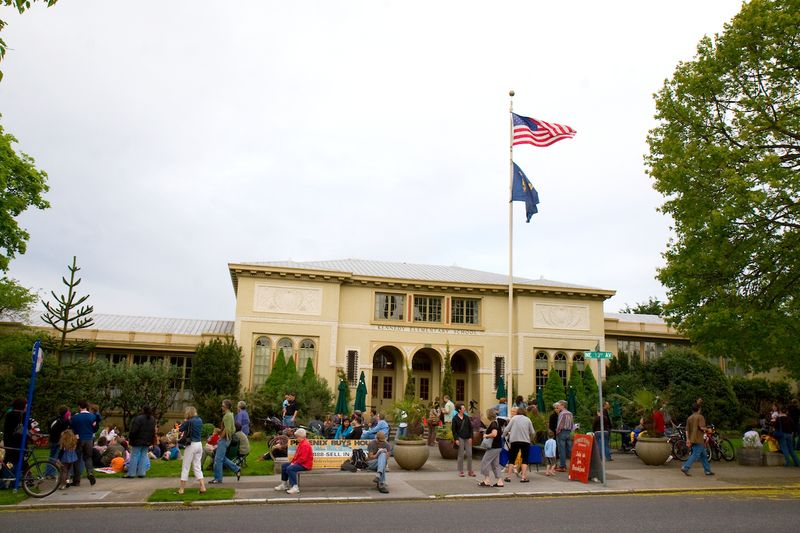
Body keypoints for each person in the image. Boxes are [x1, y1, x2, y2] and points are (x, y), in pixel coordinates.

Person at [177, 405, 206, 495]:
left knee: (185, 466)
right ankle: (202, 486)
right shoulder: (200, 420)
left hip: (191, 445)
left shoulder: (189, 421)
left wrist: (185, 421)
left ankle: (181, 489)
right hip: (199, 444)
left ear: (188, 413)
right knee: (197, 467)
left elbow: (180, 429)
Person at [211, 399, 242, 484]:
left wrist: (220, 438)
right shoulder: (230, 415)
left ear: (226, 406)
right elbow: (230, 428)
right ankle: (237, 469)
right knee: (222, 458)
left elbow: (227, 429)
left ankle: (218, 479)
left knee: (218, 459)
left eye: (222, 405)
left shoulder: (227, 416)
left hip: (224, 439)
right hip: (227, 439)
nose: (221, 407)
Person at [502, 406, 536, 483]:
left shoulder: (513, 419)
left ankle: (508, 477)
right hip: (525, 441)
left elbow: (507, 429)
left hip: (514, 441)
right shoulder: (528, 419)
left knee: (512, 458)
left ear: (517, 412)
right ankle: (523, 477)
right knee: (525, 458)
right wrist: (531, 439)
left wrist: (503, 436)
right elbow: (533, 432)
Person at [274, 428, 313, 494]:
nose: (296, 438)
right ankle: (284, 484)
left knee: (290, 468)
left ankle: (295, 487)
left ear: (300, 437)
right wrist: (293, 462)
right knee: (284, 466)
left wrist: (293, 463)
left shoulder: (305, 445)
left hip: (305, 465)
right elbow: (298, 456)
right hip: (301, 463)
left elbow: (303, 459)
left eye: (297, 437)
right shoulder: (302, 443)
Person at [70, 399, 98, 486]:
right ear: (87, 406)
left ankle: (77, 480)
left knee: (77, 460)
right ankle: (90, 472)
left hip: (79, 439)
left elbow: (72, 427)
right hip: (89, 439)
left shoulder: (75, 417)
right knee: (88, 457)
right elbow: (95, 428)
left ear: (79, 407)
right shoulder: (92, 416)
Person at [681, 403, 714, 476]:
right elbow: (701, 427)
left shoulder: (689, 418)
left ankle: (707, 470)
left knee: (703, 455)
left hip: (692, 439)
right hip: (699, 439)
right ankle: (685, 467)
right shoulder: (700, 417)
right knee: (695, 454)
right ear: (699, 409)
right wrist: (708, 430)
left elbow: (687, 430)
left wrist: (688, 439)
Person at [126, 405, 156, 478]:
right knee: (143, 456)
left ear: (143, 410)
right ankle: (142, 473)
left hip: (137, 440)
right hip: (147, 440)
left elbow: (134, 430)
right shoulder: (152, 419)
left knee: (134, 456)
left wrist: (130, 438)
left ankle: (131, 473)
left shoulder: (138, 418)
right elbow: (153, 431)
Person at [478, 408, 504, 487]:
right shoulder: (497, 422)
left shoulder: (493, 423)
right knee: (495, 464)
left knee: (485, 462)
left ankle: (487, 480)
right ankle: (500, 481)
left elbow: (494, 434)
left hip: (493, 447)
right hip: (498, 446)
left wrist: (486, 435)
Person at [2, 398, 26, 474]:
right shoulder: (16, 416)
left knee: (15, 460)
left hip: (12, 441)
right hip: (13, 442)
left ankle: (12, 477)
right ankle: (6, 476)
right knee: (11, 461)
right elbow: (19, 429)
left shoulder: (12, 415)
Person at [46, 405, 71, 477]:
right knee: (55, 457)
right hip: (58, 441)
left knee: (52, 456)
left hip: (52, 440)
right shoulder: (64, 421)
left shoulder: (53, 419)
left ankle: (50, 472)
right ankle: (50, 473)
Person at [452, 402, 475, 477]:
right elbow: (454, 430)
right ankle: (461, 471)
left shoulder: (466, 417)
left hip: (467, 438)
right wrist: (456, 439)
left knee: (469, 454)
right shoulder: (455, 418)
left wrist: (471, 437)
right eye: (463, 408)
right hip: (460, 438)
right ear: (459, 410)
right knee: (461, 454)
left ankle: (470, 470)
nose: (464, 409)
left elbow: (470, 428)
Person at [554, 400, 574, 472]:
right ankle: (574, 465)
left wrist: (557, 431)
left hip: (562, 432)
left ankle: (563, 466)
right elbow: (572, 424)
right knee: (570, 450)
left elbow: (560, 424)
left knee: (562, 450)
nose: (558, 406)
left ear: (562, 405)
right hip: (569, 432)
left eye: (559, 405)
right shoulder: (570, 413)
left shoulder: (562, 413)